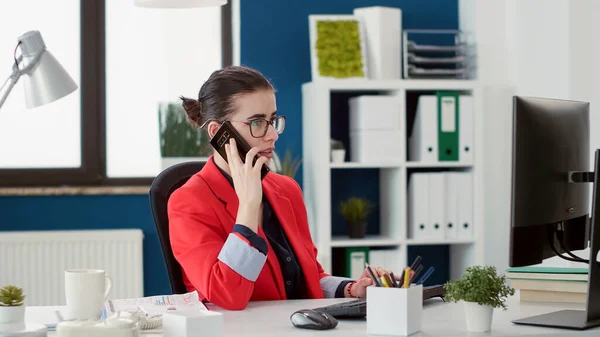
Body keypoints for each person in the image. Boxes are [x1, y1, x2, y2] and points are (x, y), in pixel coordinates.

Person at [168, 65, 397, 310]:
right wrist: (247, 207)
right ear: (218, 132)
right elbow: (227, 296)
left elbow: (309, 278)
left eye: (272, 120)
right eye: (257, 123)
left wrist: (351, 288)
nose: (272, 135)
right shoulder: (188, 203)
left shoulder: (286, 189)